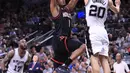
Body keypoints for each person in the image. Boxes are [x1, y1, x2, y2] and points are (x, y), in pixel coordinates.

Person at [84, 0, 121, 73]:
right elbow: (117, 11)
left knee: (94, 58)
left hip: (93, 31)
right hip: (103, 31)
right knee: (104, 59)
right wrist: (117, 4)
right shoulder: (108, 1)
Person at [50, 0, 86, 72]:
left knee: (58, 69)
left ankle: (64, 65)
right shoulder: (56, 10)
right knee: (83, 46)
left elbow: (74, 1)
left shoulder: (67, 9)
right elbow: (52, 3)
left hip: (64, 43)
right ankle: (66, 64)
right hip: (60, 40)